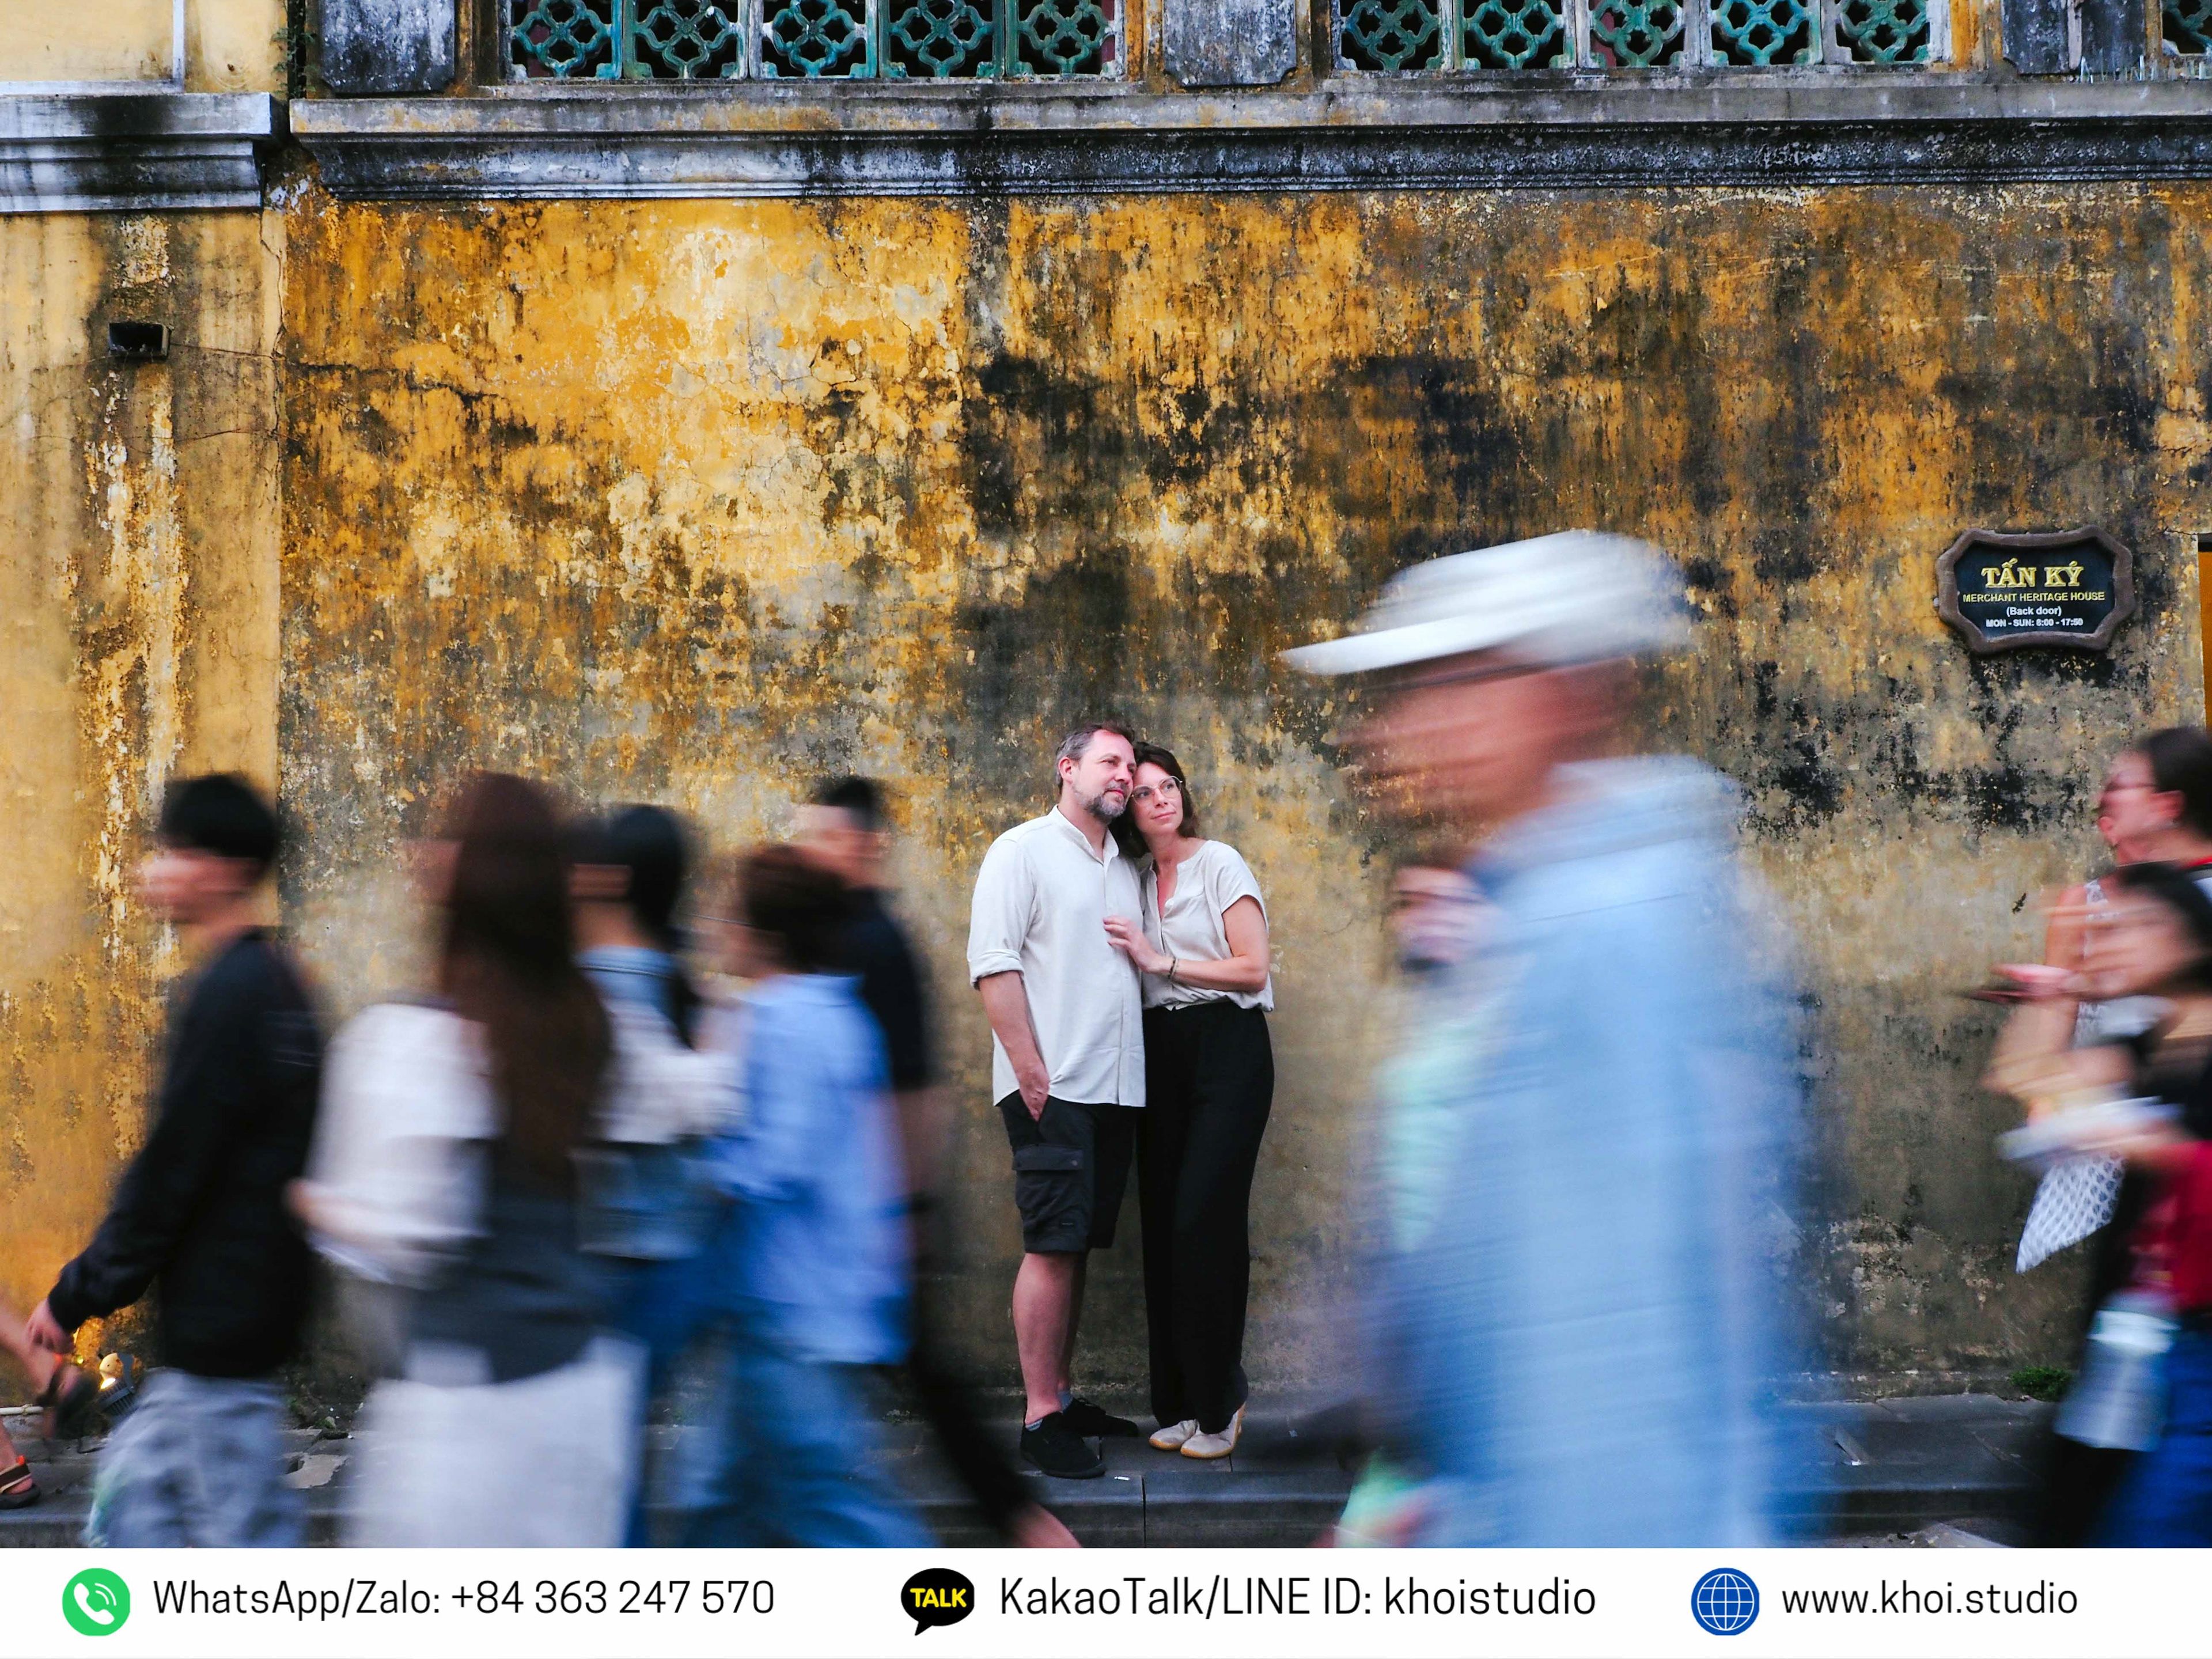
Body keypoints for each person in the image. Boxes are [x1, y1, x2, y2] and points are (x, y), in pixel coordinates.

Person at [1283, 531, 1806, 1547]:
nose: (1397, 727)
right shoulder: (1527, 907)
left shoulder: (1605, 928)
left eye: (1449, 684)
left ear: (1566, 696)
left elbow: (1605, 1333)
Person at [310, 774, 654, 1547]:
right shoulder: (594, 1020)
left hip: (464, 1414)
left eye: (444, 839)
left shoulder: (413, 1040)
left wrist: (310, 1201)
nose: (422, 854)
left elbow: (405, 1236)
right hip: (583, 1394)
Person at [25, 774, 324, 1547]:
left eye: (174, 852)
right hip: (233, 1333)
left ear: (225, 870)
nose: (152, 871)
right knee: (135, 1517)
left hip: (220, 1345)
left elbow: (171, 1173)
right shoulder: (279, 983)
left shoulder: (229, 995)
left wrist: (74, 1297)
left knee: (221, 1547)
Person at [800, 778, 1079, 1546]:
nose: (812, 852)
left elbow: (915, 1093)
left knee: (929, 1384)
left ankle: (1029, 1532)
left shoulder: (876, 944)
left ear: (865, 845)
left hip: (879, 1215)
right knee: (915, 1385)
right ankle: (1023, 1527)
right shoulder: (840, 937)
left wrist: (908, 1211)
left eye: (825, 837)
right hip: (856, 1214)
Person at [684, 846, 926, 1546]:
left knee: (829, 1504)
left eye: (728, 919)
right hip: (807, 1303)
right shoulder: (833, 1011)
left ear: (763, 938)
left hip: (792, 1311)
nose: (716, 931)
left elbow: (775, 1162)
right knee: (719, 1496)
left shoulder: (782, 1020)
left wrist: (694, 1163)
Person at [2008, 728, 2212, 1544]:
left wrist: (2152, 1146)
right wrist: (2055, 990)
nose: (2107, 936)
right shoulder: (2148, 1037)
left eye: (2126, 927)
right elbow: (2036, 1079)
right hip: (2146, 1316)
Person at [968, 722, 1148, 1480]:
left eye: (1131, 766)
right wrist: (1031, 1072)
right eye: (1110, 762)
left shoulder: (1125, 866)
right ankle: (1040, 1418)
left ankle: (1062, 1398)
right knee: (1050, 1245)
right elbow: (993, 963)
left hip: (1114, 1090)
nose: (1124, 776)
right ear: (1067, 768)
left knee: (1073, 1247)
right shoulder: (1021, 850)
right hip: (1056, 1088)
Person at [1101, 743, 1274, 1460]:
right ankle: (1177, 1405)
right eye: (1144, 792)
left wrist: (1161, 961)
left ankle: (1220, 1402)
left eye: (1169, 785)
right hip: (1160, 1053)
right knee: (1165, 1230)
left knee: (1205, 1221)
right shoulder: (1134, 879)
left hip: (1227, 1046)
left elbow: (1253, 967)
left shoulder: (1219, 863)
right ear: (1129, 811)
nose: (1162, 799)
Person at [568, 803, 731, 1546]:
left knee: (604, 1473)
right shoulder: (688, 988)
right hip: (685, 1259)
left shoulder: (592, 988)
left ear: (606, 880)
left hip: (607, 1264)